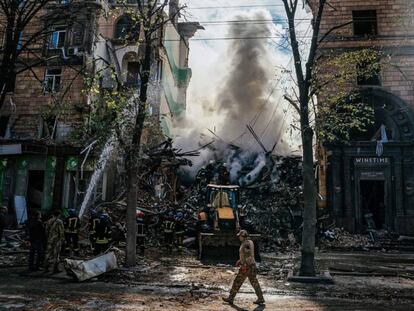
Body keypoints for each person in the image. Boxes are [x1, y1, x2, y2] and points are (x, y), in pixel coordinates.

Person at [223, 230, 265, 305]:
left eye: (240, 236)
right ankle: (260, 298)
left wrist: (244, 265)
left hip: (247, 266)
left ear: (243, 236)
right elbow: (247, 255)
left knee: (237, 281)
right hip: (250, 265)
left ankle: (231, 298)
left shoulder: (246, 243)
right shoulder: (249, 242)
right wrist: (240, 260)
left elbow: (248, 255)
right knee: (254, 282)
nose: (239, 237)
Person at [44, 209, 65, 274]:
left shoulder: (49, 221)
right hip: (57, 240)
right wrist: (63, 239)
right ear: (59, 215)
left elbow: (46, 231)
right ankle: (55, 269)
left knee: (48, 253)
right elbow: (61, 232)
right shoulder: (59, 221)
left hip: (50, 240)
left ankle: (46, 267)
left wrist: (48, 238)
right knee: (56, 254)